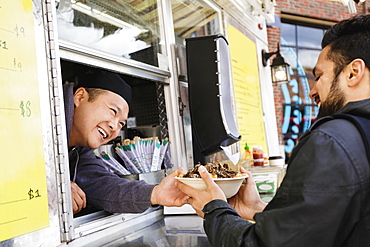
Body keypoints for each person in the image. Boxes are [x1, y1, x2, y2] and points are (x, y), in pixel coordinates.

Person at [177, 14, 370, 246]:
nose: (312, 91)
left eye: (318, 76)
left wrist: (214, 210)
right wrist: (258, 209)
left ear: (353, 72)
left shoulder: (332, 140)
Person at [63, 69, 189, 215]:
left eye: (121, 124)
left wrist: (154, 194)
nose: (114, 127)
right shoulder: (39, 120)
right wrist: (52, 190)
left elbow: (101, 185)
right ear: (79, 97)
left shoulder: (79, 150)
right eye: (112, 111)